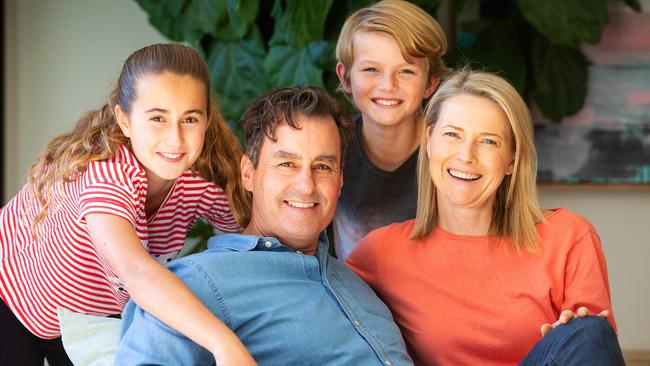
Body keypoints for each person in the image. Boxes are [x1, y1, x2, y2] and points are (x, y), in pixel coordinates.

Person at [116, 87, 414, 366]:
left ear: (339, 182)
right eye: (287, 164)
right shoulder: (193, 286)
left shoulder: (356, 282)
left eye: (323, 166)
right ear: (248, 173)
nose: (306, 185)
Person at [346, 70, 625, 365]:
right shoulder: (381, 252)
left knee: (589, 331)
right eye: (452, 134)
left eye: (489, 141)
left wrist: (572, 335)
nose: (466, 155)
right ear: (429, 140)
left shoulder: (569, 236)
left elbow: (593, 349)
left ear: (511, 161)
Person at [0, 44, 256, 365]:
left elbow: (251, 237)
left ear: (206, 120)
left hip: (85, 322)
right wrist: (224, 344)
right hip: (11, 301)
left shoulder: (198, 182)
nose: (175, 139)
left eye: (189, 119)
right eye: (157, 118)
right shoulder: (107, 173)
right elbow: (136, 272)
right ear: (125, 120)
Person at [332, 0, 448, 259]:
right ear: (346, 77)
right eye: (371, 69)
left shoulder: (451, 154)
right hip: (351, 297)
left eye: (406, 71)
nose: (387, 85)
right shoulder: (331, 149)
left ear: (430, 83)